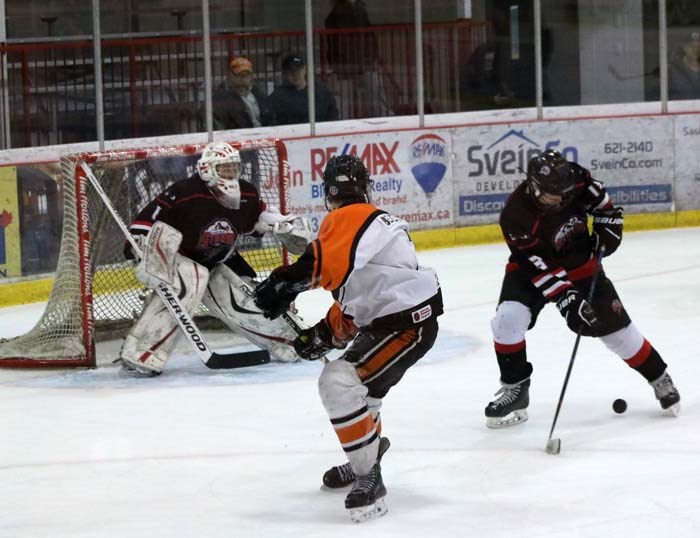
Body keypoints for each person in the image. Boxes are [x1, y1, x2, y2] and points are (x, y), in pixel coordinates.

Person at [253, 155, 443, 522]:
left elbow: (319, 268)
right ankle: (367, 452)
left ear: (328, 194)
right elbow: (358, 298)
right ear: (367, 186)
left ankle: (369, 472)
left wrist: (283, 284)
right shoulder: (367, 227)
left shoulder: (350, 218)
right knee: (361, 392)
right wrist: (323, 335)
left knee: (339, 382)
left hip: (405, 327)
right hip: (403, 323)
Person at [484, 149, 681, 428]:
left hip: (581, 264)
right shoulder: (515, 214)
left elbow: (603, 205)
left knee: (617, 334)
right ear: (534, 186)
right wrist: (566, 297)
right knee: (507, 319)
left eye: (564, 193)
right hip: (532, 270)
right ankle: (515, 387)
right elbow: (536, 265)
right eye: (554, 195)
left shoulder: (575, 180)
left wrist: (608, 225)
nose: (561, 200)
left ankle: (659, 376)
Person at [116, 141, 313, 377]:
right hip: (179, 260)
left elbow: (260, 215)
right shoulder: (185, 192)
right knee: (192, 278)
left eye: (234, 168)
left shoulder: (247, 194)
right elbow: (145, 222)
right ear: (207, 169)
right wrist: (139, 246)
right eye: (224, 169)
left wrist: (282, 223)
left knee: (243, 298)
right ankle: (141, 352)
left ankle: (287, 341)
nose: (231, 175)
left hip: (218, 260)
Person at [324, 0, 392, 117]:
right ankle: (383, 118)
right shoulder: (338, 16)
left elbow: (369, 37)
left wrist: (372, 57)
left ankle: (341, 122)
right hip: (350, 64)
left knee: (348, 98)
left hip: (355, 64)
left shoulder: (359, 12)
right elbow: (340, 43)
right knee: (352, 97)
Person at [267, 54, 339, 125]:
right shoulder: (278, 96)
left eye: (298, 70)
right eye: (290, 71)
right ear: (285, 74)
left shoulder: (321, 92)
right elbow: (270, 119)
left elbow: (333, 117)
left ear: (305, 69)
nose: (295, 74)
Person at [210, 56, 273, 130]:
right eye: (239, 75)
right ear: (229, 75)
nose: (243, 80)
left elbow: (271, 118)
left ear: (251, 76)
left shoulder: (258, 93)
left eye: (246, 75)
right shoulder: (220, 100)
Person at [669, 31, 700, 100]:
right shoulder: (671, 70)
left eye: (698, 47)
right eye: (692, 47)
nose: (696, 50)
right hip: (680, 109)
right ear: (684, 47)